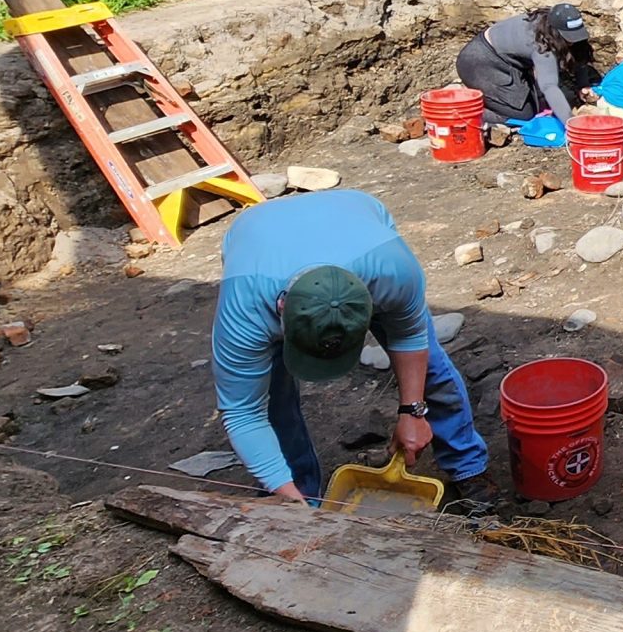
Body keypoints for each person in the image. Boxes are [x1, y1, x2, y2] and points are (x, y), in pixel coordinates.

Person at [209, 189, 492, 511]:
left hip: (354, 222)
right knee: (273, 401)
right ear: (282, 312)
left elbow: (410, 337)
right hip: (257, 235)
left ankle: (468, 465)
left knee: (431, 368)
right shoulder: (245, 311)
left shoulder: (393, 272)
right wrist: (280, 486)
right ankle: (296, 495)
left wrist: (413, 410)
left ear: (370, 305)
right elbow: (243, 411)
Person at [455, 4, 598, 128]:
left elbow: (579, 52)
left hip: (507, 62)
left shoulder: (551, 22)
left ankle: (488, 96)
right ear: (555, 31)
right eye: (568, 37)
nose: (572, 41)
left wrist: (583, 85)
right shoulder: (541, 44)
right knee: (522, 115)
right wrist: (570, 123)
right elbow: (549, 86)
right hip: (479, 62)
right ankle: (462, 109)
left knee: (539, 100)